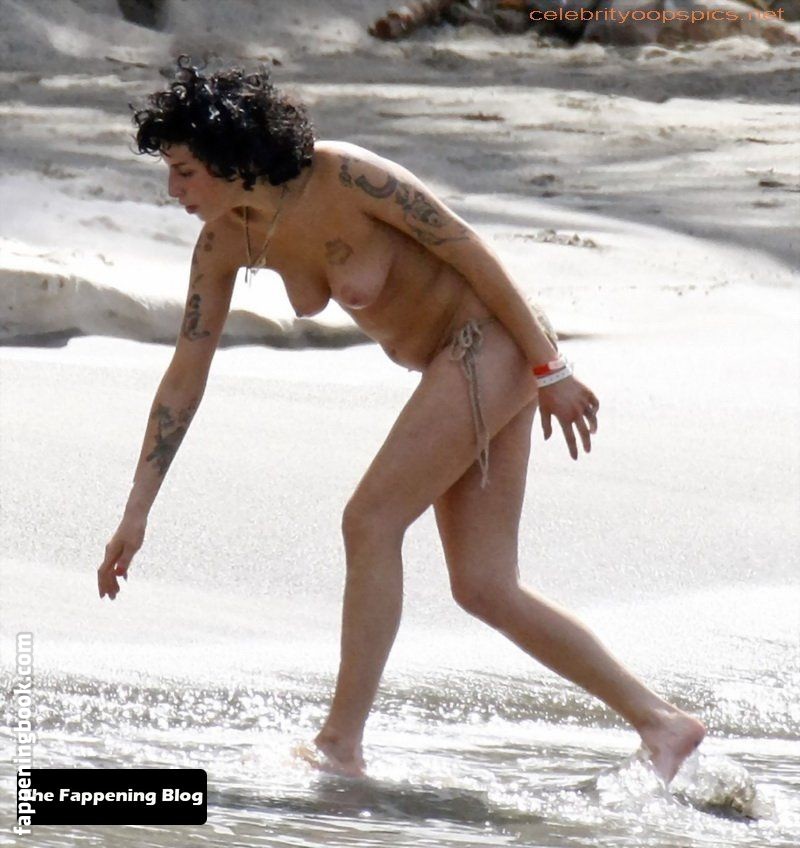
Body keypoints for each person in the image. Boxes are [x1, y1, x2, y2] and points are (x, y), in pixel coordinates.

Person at [97, 58, 705, 783]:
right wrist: (136, 511)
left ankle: (340, 744)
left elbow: (469, 250)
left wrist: (551, 368)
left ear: (233, 157)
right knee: (484, 586)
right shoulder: (224, 243)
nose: (174, 191)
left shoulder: (346, 176)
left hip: (491, 340)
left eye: (185, 172)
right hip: (459, 364)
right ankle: (663, 724)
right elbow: (184, 378)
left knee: (370, 520)